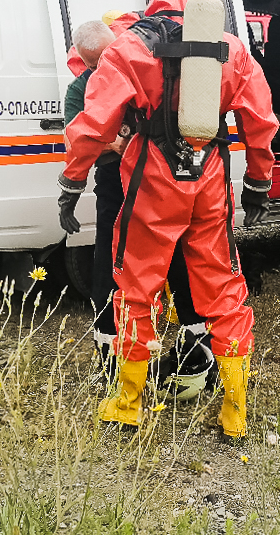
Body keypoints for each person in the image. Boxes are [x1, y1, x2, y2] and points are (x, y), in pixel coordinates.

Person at [57, 0, 279, 439]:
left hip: (153, 179)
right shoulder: (233, 49)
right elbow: (261, 121)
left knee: (136, 286)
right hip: (212, 177)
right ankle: (235, 412)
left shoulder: (132, 46)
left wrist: (72, 184)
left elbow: (93, 124)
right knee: (222, 286)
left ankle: (128, 404)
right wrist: (258, 183)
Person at [60, 19, 214, 398]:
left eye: (105, 57)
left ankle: (198, 350)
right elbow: (85, 137)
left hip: (155, 179)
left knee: (177, 260)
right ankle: (112, 362)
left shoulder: (143, 68)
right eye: (94, 62)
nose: (102, 66)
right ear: (82, 60)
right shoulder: (80, 90)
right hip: (117, 182)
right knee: (110, 267)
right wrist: (108, 149)